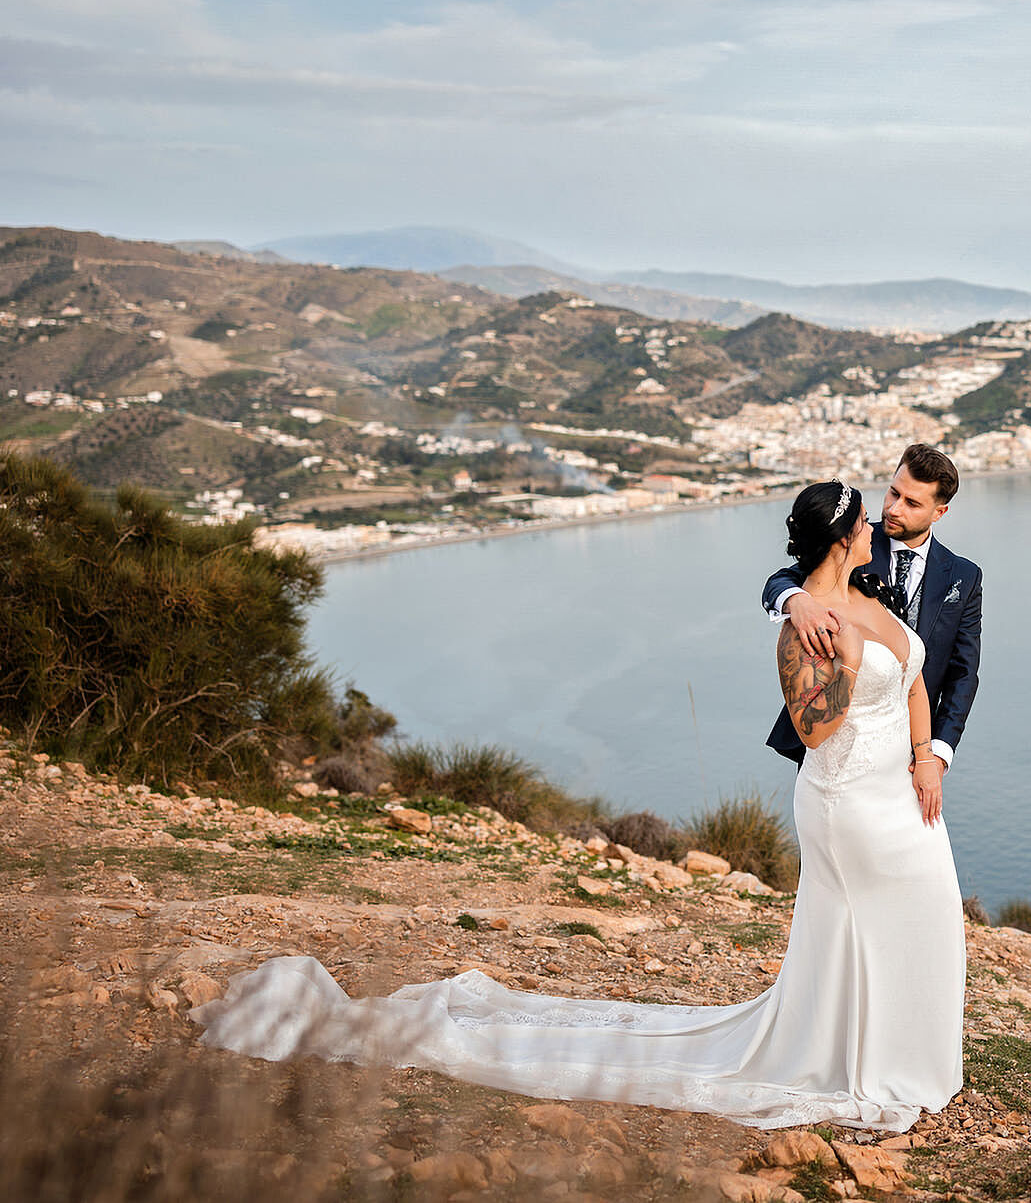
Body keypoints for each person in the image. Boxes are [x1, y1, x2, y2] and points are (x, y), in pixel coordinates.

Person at [186, 480, 966, 1133]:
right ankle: (865, 1061)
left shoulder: (859, 592)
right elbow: (814, 727)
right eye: (864, 518)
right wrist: (839, 652)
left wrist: (924, 757)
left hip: (900, 792)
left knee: (920, 916)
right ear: (839, 539)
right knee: (866, 923)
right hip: (846, 800)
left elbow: (915, 682)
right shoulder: (809, 629)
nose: (876, 524)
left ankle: (902, 1052)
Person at [763, 443, 982, 776]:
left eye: (912, 503)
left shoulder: (964, 576)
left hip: (912, 752)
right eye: (893, 493)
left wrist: (936, 754)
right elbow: (784, 577)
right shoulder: (852, 541)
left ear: (939, 512)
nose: (893, 509)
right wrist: (796, 600)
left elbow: (962, 674)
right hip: (838, 744)